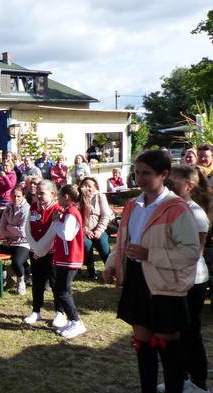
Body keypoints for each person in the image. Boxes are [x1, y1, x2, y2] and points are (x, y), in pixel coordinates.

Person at [103, 150, 199, 393]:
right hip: (137, 281)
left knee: (168, 350)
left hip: (165, 286)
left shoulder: (176, 208)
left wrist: (150, 254)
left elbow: (190, 253)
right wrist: (113, 263)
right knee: (143, 346)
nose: (140, 178)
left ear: (163, 174)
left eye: (147, 173)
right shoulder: (132, 205)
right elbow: (124, 241)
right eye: (137, 172)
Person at [167, 164, 211, 393]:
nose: (168, 185)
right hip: (174, 279)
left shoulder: (195, 213)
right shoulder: (172, 208)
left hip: (192, 280)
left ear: (189, 186)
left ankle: (198, 382)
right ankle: (181, 378)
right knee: (177, 332)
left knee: (190, 332)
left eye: (173, 182)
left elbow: (195, 253)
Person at [24, 180, 66, 328]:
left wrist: (41, 249)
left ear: (53, 194)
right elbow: (27, 228)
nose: (39, 196)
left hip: (53, 252)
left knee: (55, 283)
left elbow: (53, 232)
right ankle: (36, 310)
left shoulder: (57, 209)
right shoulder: (33, 207)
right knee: (37, 282)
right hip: (36, 252)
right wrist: (35, 248)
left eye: (42, 193)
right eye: (37, 193)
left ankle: (60, 312)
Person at [50, 184, 88, 338]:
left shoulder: (72, 212)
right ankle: (72, 322)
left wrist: (55, 222)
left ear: (66, 197)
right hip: (64, 257)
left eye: (59, 195)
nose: (57, 198)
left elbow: (67, 235)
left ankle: (77, 322)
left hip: (70, 258)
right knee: (61, 289)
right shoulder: (68, 211)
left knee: (63, 291)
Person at [79, 177, 113, 281]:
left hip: (99, 228)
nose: (87, 188)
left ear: (95, 187)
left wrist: (99, 230)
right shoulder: (78, 198)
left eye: (90, 186)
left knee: (103, 245)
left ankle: (111, 269)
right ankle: (91, 270)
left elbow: (105, 215)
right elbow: (77, 218)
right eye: (85, 185)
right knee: (86, 245)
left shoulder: (100, 196)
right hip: (84, 230)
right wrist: (85, 230)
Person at [0, 186, 31, 295]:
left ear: (23, 196)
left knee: (16, 262)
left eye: (18, 196)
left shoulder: (27, 209)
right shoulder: (8, 208)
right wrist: (10, 229)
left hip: (24, 243)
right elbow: (1, 228)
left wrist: (9, 227)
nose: (15, 198)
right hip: (9, 241)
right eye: (13, 196)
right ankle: (3, 274)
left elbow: (23, 232)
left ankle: (21, 281)